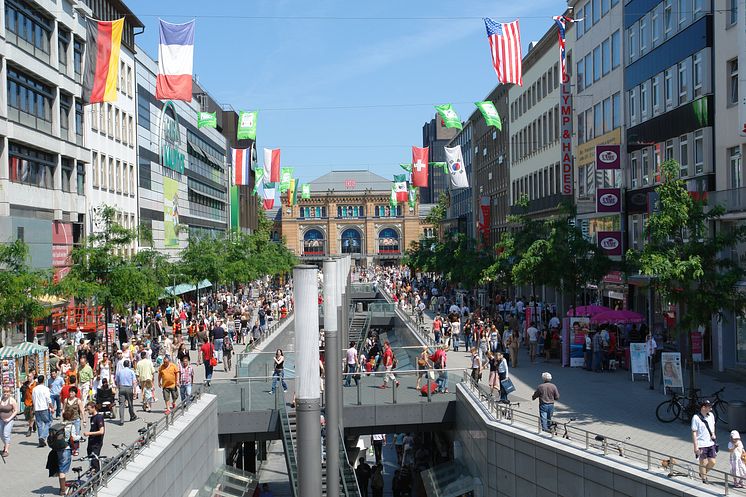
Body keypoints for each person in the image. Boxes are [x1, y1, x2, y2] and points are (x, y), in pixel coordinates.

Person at [692, 399, 718, 483]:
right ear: (703, 407)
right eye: (709, 407)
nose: (711, 408)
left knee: (712, 462)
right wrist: (696, 447)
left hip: (710, 442)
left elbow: (712, 426)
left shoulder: (711, 416)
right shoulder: (696, 418)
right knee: (702, 462)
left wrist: (713, 433)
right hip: (701, 444)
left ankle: (703, 473)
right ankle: (704, 479)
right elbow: (694, 432)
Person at [32, 375, 53, 448]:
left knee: (39, 424)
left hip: (37, 408)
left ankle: (41, 441)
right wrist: (52, 407)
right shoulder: (45, 389)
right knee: (48, 422)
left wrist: (34, 408)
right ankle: (43, 437)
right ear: (43, 380)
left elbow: (33, 399)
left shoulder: (34, 389)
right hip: (44, 408)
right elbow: (48, 399)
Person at [83, 401, 105, 472]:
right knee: (91, 461)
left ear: (94, 408)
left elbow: (101, 431)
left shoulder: (99, 417)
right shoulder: (92, 418)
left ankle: (97, 479)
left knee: (94, 461)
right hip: (91, 442)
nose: (88, 411)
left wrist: (89, 433)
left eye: (89, 409)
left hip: (96, 443)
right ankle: (92, 477)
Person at [114, 360, 138, 424]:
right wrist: (135, 391)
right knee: (130, 403)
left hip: (122, 388)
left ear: (123, 365)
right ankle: (132, 416)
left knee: (121, 405)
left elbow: (117, 381)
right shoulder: (131, 371)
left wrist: (119, 387)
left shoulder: (120, 372)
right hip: (129, 388)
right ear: (129, 365)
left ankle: (121, 420)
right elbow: (134, 382)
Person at [0, 385, 19, 457]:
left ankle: (6, 450)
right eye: (4, 392)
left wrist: (9, 418)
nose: (5, 393)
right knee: (1, 434)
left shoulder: (12, 400)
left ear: (10, 392)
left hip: (9, 419)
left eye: (7, 392)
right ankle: (6, 444)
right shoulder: (1, 399)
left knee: (6, 434)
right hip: (1, 419)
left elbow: (16, 411)